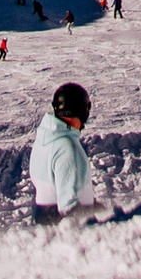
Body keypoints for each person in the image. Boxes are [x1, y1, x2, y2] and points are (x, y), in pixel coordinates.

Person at [29, 81, 98, 223]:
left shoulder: (45, 139)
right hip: (67, 227)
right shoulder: (66, 148)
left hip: (44, 218)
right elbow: (69, 208)